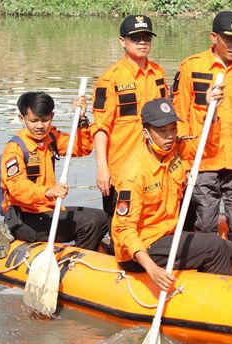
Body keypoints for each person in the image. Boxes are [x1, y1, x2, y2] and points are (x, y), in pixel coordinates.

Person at [112, 98, 232, 291]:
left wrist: (211, 111)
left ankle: (213, 286)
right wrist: (152, 268)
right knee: (215, 246)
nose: (170, 136)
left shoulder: (174, 151)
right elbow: (124, 229)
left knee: (231, 249)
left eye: (173, 129)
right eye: (162, 132)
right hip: (143, 246)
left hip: (168, 234)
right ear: (146, 133)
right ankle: (214, 300)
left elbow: (207, 147)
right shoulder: (134, 173)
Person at [172, 10, 232, 247]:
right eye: (229, 39)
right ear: (214, 37)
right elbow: (179, 118)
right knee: (205, 223)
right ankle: (207, 267)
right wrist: (183, 162)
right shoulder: (191, 67)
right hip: (203, 159)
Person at [0, 91, 109, 253]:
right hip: (26, 219)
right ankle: (77, 261)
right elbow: (17, 188)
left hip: (47, 211)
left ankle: (90, 252)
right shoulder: (15, 149)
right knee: (90, 222)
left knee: (103, 218)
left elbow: (81, 148)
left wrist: (82, 120)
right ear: (22, 119)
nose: (40, 126)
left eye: (45, 120)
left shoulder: (51, 138)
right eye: (34, 121)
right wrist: (48, 191)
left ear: (52, 116)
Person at [91, 15, 169, 217]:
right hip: (122, 169)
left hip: (153, 169)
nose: (142, 42)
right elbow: (100, 127)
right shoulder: (110, 78)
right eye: (135, 38)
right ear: (122, 41)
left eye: (146, 37)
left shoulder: (158, 74)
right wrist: (102, 168)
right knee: (119, 226)